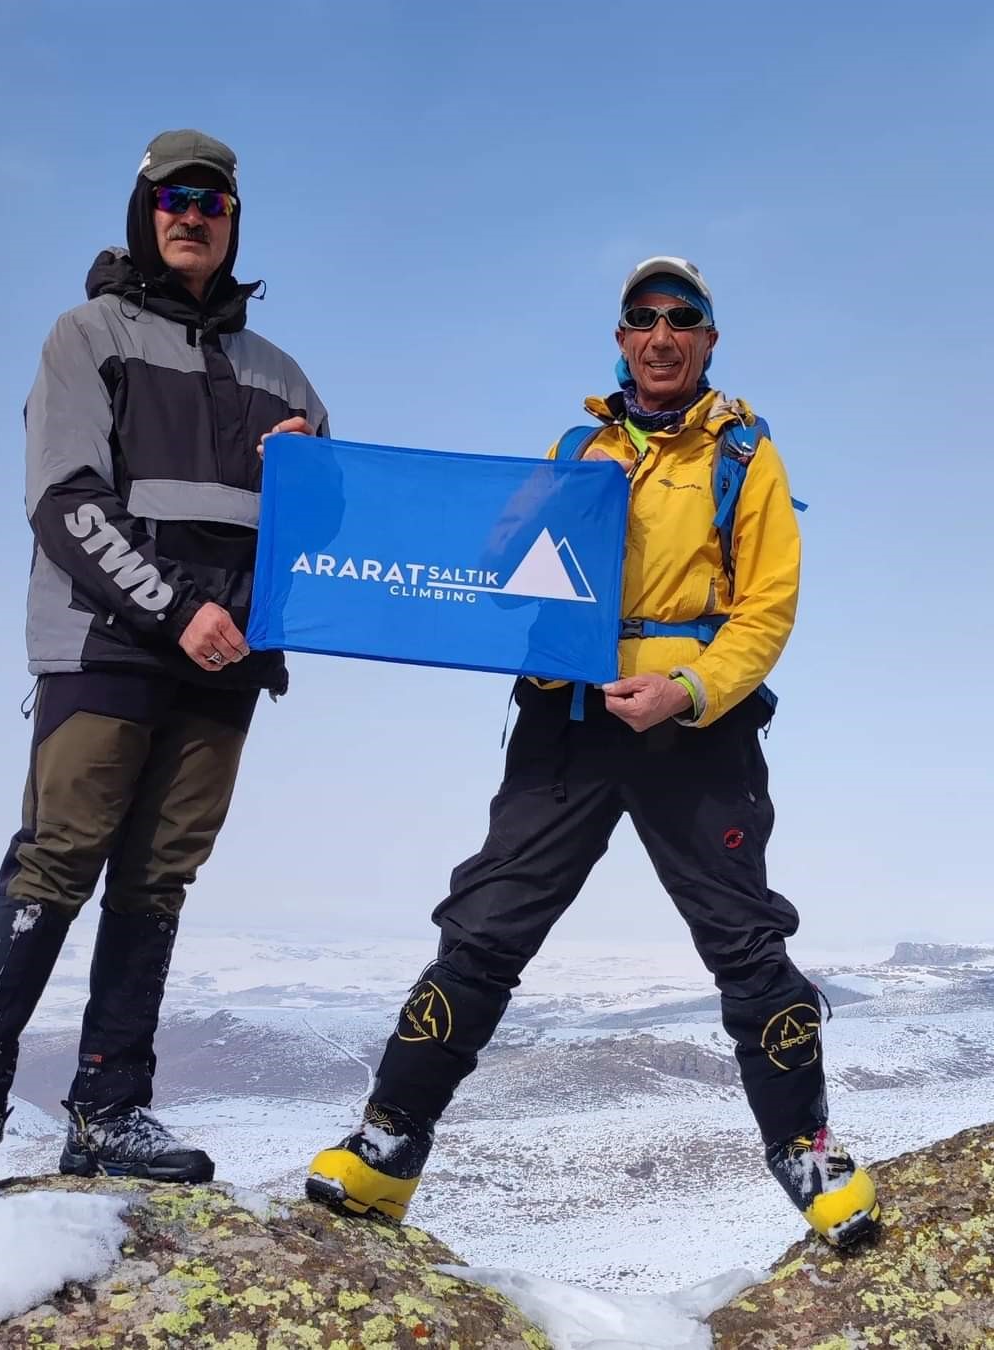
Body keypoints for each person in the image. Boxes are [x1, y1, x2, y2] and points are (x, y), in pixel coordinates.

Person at [306, 256, 880, 1249]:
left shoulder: (746, 454)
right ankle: (390, 1144)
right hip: (564, 719)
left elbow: (767, 609)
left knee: (743, 937)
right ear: (621, 339)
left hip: (696, 726)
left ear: (707, 339)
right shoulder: (577, 446)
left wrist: (687, 691)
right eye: (641, 319)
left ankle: (809, 1151)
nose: (660, 335)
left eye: (681, 318)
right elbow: (495, 572)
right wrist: (537, 511)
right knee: (486, 925)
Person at [0, 129, 329, 1205]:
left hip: (226, 663)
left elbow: (323, 529)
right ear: (143, 208)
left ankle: (107, 1111)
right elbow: (65, 501)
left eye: (214, 202)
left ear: (235, 223)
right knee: (57, 860)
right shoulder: (86, 335)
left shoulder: (281, 375)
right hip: (105, 646)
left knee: (158, 879)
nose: (192, 214)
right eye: (172, 197)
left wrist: (310, 472)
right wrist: (177, 608)